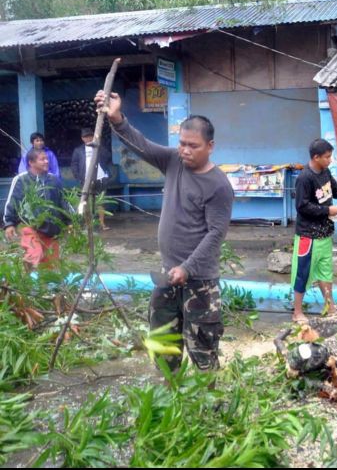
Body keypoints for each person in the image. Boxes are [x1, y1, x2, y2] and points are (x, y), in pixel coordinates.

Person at [95, 90, 234, 373]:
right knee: (162, 343)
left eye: (192, 145)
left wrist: (188, 267)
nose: (185, 150)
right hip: (167, 274)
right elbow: (141, 145)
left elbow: (216, 233)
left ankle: (204, 408)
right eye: (182, 143)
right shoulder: (173, 161)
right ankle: (168, 402)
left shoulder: (218, 185)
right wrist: (117, 118)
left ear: (210, 146)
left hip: (200, 282)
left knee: (203, 352)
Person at [291, 138, 337, 323]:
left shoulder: (325, 172)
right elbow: (302, 206)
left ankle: (330, 307)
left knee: (325, 272)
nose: (330, 160)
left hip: (324, 233)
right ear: (316, 157)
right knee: (303, 272)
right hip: (308, 236)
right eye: (327, 157)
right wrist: (327, 210)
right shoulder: (304, 178)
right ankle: (297, 312)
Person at [4, 148, 70, 268]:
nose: (46, 161)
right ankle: (26, 274)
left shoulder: (54, 180)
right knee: (34, 254)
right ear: (31, 162)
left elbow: (63, 202)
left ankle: (44, 285)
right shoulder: (21, 180)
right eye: (42, 159)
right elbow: (12, 202)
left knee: (51, 266)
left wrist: (69, 221)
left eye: (47, 159)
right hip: (30, 226)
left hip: (52, 229)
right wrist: (9, 223)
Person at [71, 127, 113, 230]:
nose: (88, 138)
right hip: (86, 180)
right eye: (86, 137)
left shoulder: (99, 147)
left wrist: (98, 145)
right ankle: (88, 224)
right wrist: (79, 177)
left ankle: (102, 223)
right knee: (86, 202)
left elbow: (108, 157)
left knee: (101, 202)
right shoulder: (78, 150)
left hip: (100, 178)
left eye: (90, 136)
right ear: (82, 138)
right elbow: (74, 164)